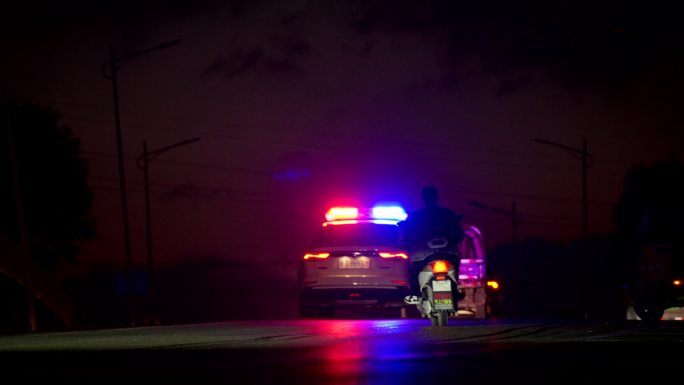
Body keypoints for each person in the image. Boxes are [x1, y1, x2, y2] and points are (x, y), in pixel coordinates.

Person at [400, 185, 465, 304]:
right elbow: (459, 235)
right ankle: (454, 291)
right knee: (454, 266)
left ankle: (415, 294)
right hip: (448, 252)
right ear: (437, 197)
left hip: (421, 253)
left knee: (412, 269)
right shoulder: (448, 214)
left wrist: (405, 242)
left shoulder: (416, 216)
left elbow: (406, 236)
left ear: (423, 198)